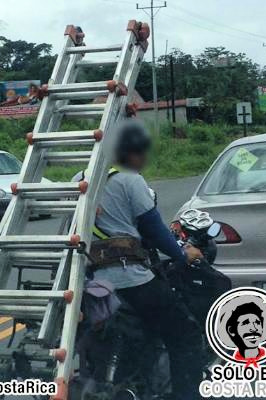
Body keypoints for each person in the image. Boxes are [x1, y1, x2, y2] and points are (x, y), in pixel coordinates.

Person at [86, 120, 206, 400]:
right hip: (129, 279)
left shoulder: (83, 178)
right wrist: (183, 254)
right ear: (130, 153)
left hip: (91, 279)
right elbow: (155, 230)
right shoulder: (129, 179)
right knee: (184, 334)